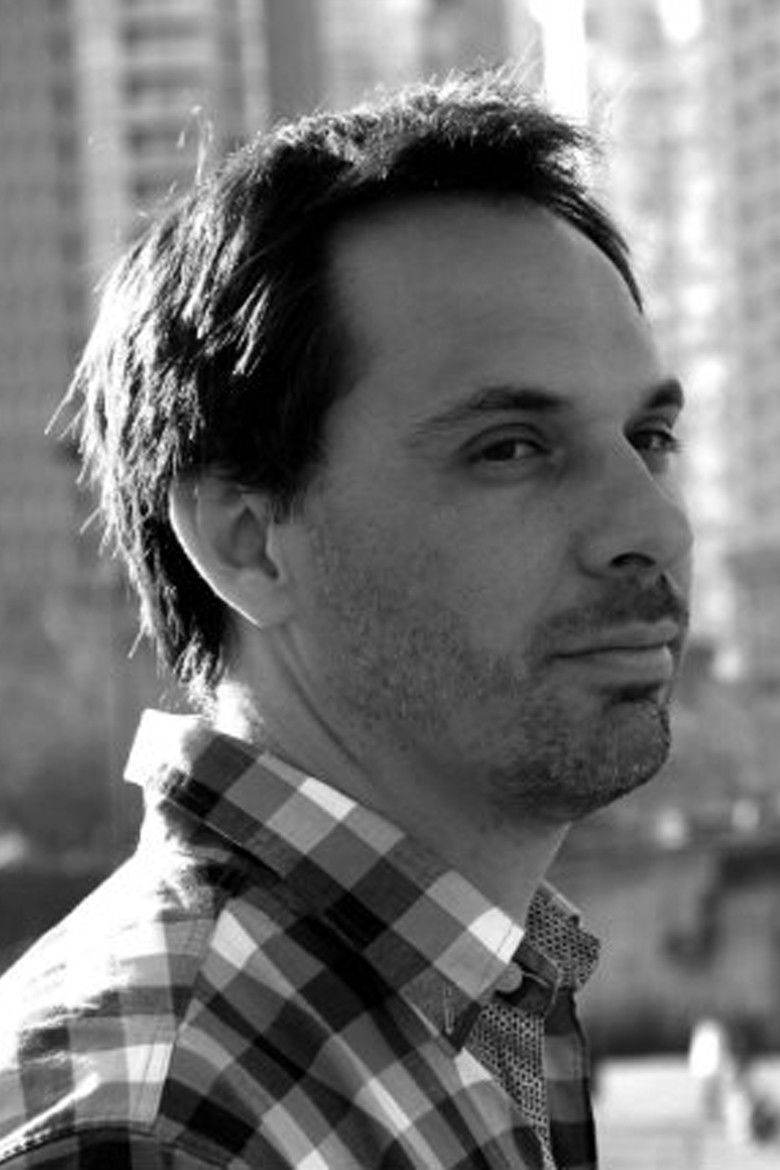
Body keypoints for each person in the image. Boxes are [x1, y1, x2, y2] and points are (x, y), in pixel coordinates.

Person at [0, 69, 692, 1169]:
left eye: (649, 439)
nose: (652, 526)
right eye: (510, 448)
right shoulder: (159, 1130)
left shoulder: (469, 1006)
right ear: (245, 539)